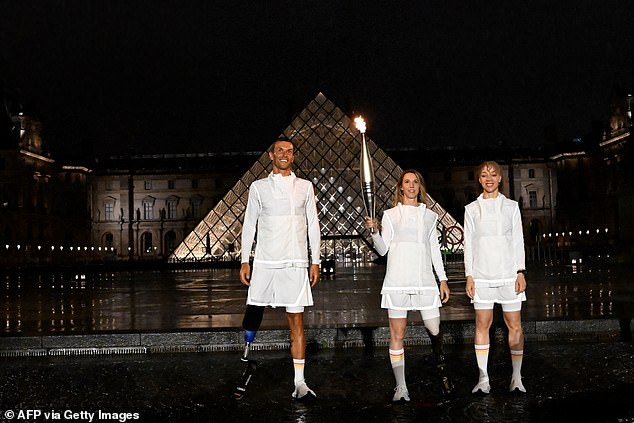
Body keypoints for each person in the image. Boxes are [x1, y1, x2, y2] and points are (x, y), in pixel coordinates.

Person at [239, 136, 321, 400]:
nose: (285, 154)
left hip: (295, 262)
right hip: (264, 261)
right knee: (253, 308)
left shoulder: (305, 187)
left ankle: (300, 382)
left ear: (293, 156)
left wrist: (315, 260)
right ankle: (246, 356)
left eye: (290, 151)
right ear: (271, 156)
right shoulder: (258, 187)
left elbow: (313, 226)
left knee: (296, 322)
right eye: (280, 151)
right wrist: (244, 259)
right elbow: (249, 224)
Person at [364, 169, 451, 402]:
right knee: (397, 333)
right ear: (400, 187)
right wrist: (374, 233)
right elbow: (384, 250)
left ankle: (441, 365)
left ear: (419, 186)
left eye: (415, 182)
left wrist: (442, 279)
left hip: (424, 281)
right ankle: (401, 386)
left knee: (434, 330)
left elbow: (434, 250)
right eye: (406, 182)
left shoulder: (430, 216)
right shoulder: (390, 215)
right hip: (397, 281)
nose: (411, 186)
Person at [463, 161, 527, 394]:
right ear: (479, 180)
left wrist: (520, 271)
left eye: (493, 174)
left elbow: (518, 240)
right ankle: (483, 378)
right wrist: (469, 276)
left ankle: (517, 378)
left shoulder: (511, 207)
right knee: (482, 325)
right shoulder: (471, 209)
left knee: (515, 325)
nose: (488, 178)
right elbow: (468, 244)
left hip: (509, 275)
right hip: (482, 276)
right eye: (483, 175)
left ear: (500, 178)